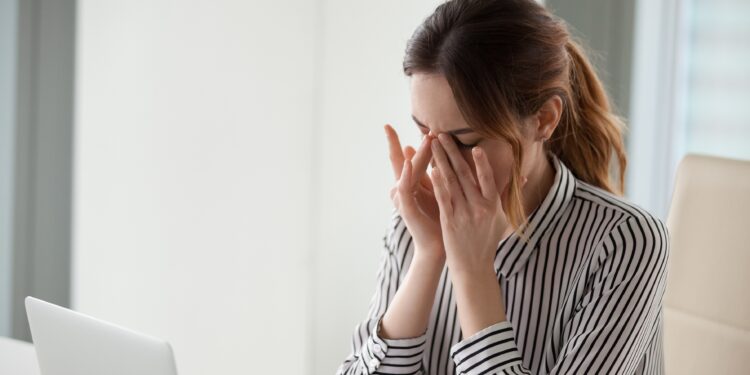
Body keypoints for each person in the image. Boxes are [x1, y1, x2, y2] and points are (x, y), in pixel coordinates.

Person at [336, 0, 670, 374]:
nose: (438, 164)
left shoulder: (625, 242)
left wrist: (473, 271)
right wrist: (429, 255)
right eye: (425, 134)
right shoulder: (414, 226)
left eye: (464, 141)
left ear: (544, 119)